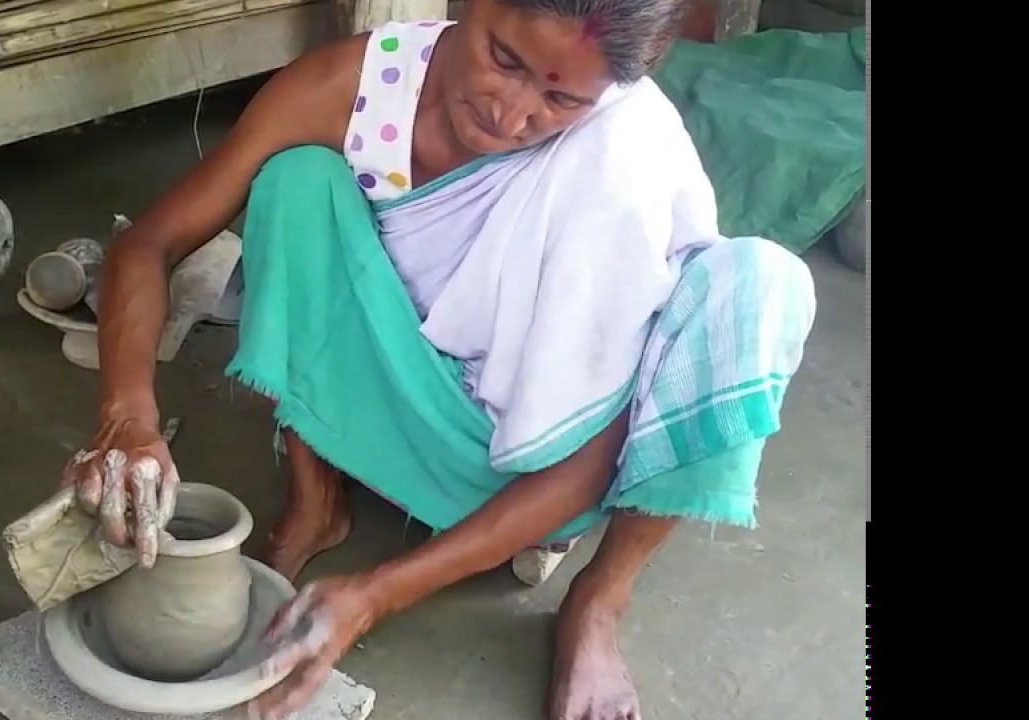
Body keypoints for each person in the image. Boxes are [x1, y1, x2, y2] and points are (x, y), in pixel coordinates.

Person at [60, 1, 817, 718]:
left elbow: (600, 443)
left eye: (559, 101)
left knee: (757, 285)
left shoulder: (622, 151)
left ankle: (598, 600)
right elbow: (150, 244)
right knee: (297, 180)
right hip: (398, 407)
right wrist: (126, 415)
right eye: (504, 58)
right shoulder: (350, 88)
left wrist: (380, 592)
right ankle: (316, 501)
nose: (511, 113)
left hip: (546, 477)